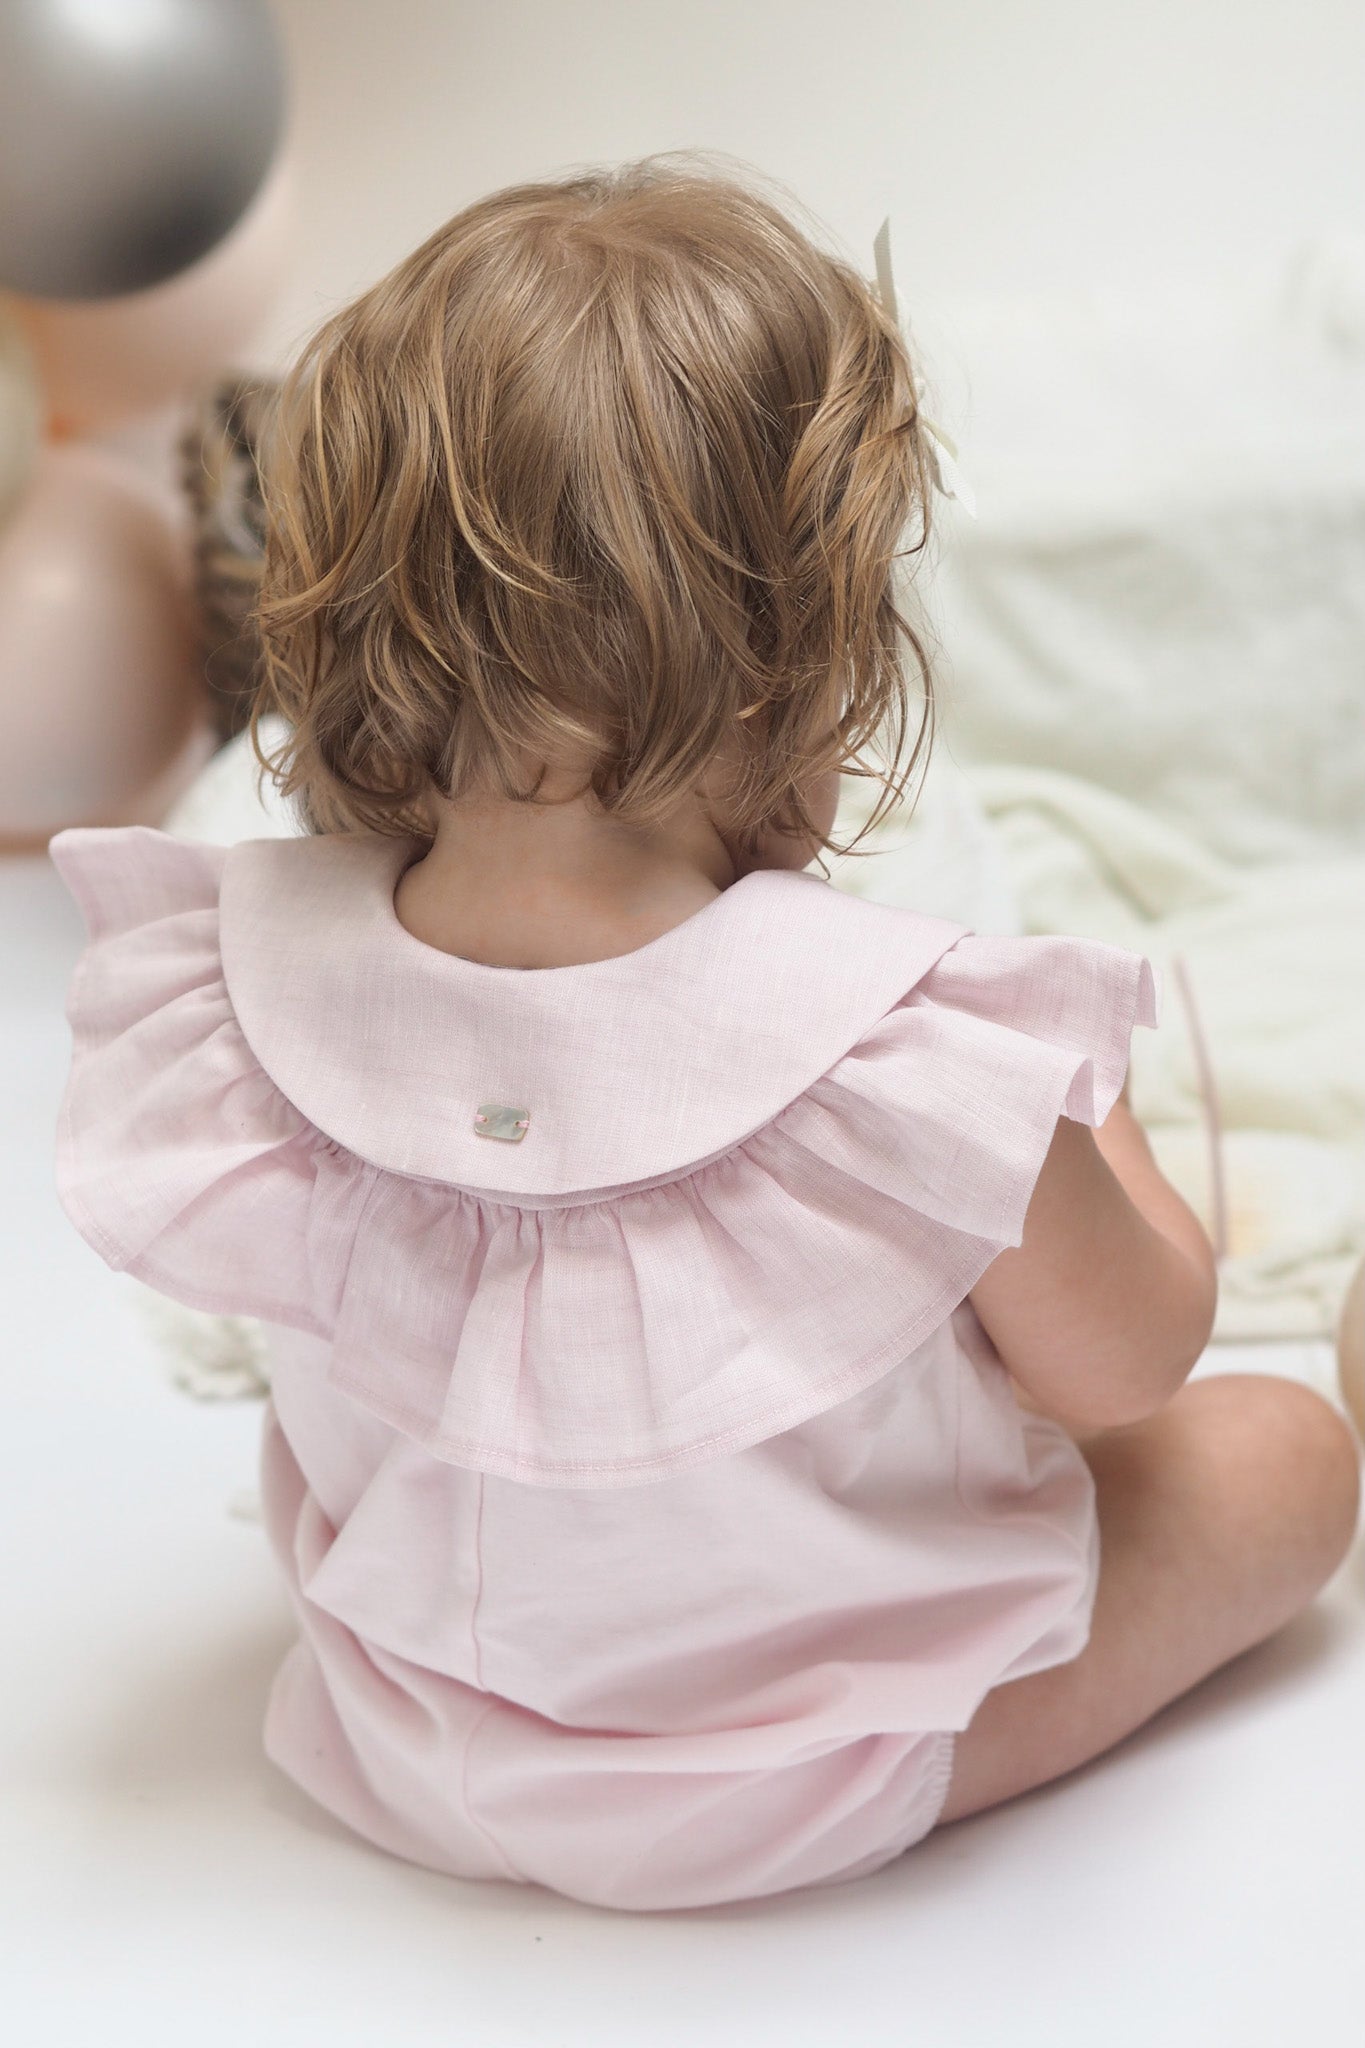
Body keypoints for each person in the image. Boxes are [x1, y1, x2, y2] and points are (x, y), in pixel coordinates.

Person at [49, 157, 1361, 1914]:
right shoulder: (907, 1044)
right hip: (799, 1786)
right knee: (1283, 1452)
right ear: (812, 689)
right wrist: (1063, 1101)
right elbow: (1128, 1366)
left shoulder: (241, 976)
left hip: (400, 1735)